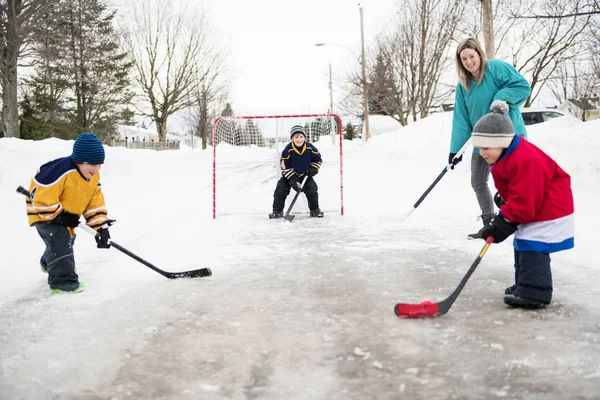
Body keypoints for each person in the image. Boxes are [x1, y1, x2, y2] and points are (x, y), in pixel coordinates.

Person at [472, 100, 574, 309]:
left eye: (486, 147)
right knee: (522, 243)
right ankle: (525, 285)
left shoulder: (525, 159)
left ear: (502, 141)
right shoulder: (507, 155)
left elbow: (525, 202)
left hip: (550, 208)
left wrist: (501, 224)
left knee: (532, 244)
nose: (482, 153)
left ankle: (535, 293)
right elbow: (519, 190)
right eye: (479, 147)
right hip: (537, 205)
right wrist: (505, 199)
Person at [449, 37, 531, 239]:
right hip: (482, 142)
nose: (469, 61)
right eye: (464, 59)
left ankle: (519, 222)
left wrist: (501, 97)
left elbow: (522, 86)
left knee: (513, 182)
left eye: (472, 56)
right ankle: (490, 223)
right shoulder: (464, 86)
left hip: (506, 138)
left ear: (479, 54)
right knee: (477, 181)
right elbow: (461, 118)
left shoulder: (495, 69)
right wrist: (455, 150)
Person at [25, 133, 113, 294]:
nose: (97, 168)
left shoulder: (93, 177)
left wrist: (101, 228)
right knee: (61, 241)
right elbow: (42, 198)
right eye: (92, 164)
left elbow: (94, 202)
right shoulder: (60, 171)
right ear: (80, 161)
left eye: (99, 164)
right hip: (43, 214)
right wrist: (58, 215)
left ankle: (48, 262)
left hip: (67, 215)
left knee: (66, 240)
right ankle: (62, 282)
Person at [269, 125, 324, 219]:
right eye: (296, 137)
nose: (299, 139)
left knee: (312, 188)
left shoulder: (310, 148)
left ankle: (315, 210)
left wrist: (313, 169)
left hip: (305, 174)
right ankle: (277, 211)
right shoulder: (287, 150)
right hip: (291, 175)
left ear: (304, 138)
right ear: (292, 138)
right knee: (281, 187)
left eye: (301, 137)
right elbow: (284, 165)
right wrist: (292, 178)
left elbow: (318, 160)